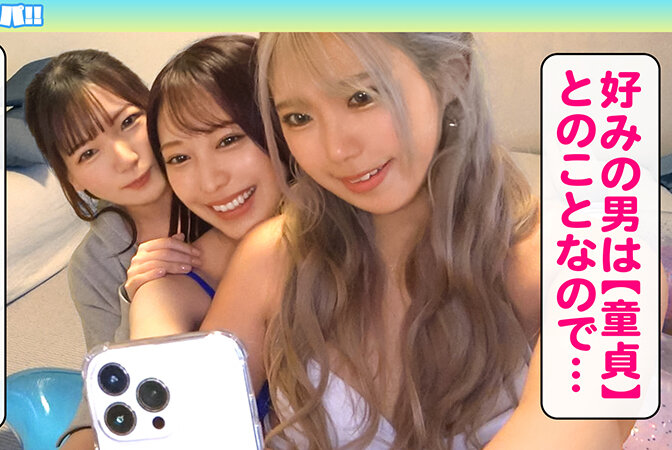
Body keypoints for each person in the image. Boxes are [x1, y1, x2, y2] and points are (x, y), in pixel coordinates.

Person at [200, 33, 666, 449]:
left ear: (453, 75)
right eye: (299, 117)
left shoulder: (602, 262)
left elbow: (576, 431)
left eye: (362, 97)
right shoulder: (271, 258)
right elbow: (188, 424)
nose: (336, 149)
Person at [24, 49, 201, 449]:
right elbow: (105, 380)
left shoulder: (219, 194)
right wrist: (134, 300)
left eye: (128, 122)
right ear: (72, 179)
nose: (126, 158)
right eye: (88, 153)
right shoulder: (93, 266)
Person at [129, 33, 285, 342]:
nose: (210, 182)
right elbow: (155, 332)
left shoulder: (358, 218)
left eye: (228, 140)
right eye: (180, 158)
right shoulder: (169, 286)